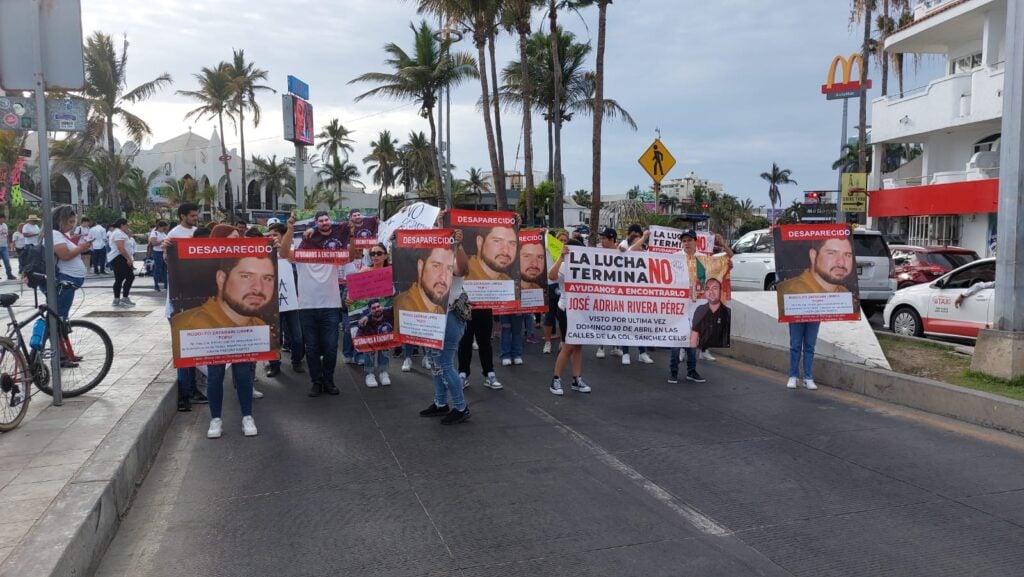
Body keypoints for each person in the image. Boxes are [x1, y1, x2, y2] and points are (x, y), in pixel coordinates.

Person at [418, 228, 472, 425]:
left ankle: (460, 407)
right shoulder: (432, 258)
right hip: (432, 318)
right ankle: (441, 403)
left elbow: (463, 270)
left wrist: (458, 245)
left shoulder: (452, 256)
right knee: (435, 363)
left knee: (445, 363)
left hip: (449, 317)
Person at [669, 229, 733, 384]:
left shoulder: (704, 259)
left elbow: (729, 256)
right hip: (678, 307)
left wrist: (723, 244)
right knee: (677, 340)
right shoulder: (674, 258)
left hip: (696, 307)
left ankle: (691, 371)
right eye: (684, 241)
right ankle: (673, 372)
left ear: (696, 242)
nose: (686, 243)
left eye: (689, 240)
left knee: (693, 340)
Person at [163, 203, 208, 411]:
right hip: (179, 304)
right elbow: (169, 262)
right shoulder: (174, 236)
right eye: (192, 215)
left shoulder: (197, 234)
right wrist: (167, 250)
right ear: (182, 216)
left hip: (196, 304)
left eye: (197, 215)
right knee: (184, 351)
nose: (195, 217)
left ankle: (192, 390)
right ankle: (184, 394)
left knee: (193, 349)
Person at [547, 239, 591, 396]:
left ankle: (576, 379)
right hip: (566, 310)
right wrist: (561, 257)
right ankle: (555, 379)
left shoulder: (587, 266)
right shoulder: (565, 264)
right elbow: (551, 276)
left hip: (581, 310)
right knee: (568, 346)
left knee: (578, 346)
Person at [265, 218, 305, 378]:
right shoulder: (265, 251)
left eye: (275, 234)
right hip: (272, 302)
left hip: (292, 301)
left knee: (297, 336)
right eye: (270, 235)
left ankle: (297, 361)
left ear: (283, 236)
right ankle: (274, 365)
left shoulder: (291, 251)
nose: (272, 237)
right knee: (274, 336)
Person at [352, 243, 393, 387]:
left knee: (384, 343)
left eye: (379, 253)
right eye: (372, 253)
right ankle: (369, 373)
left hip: (385, 314)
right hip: (368, 312)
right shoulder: (364, 270)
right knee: (369, 344)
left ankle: (383, 371)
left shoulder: (391, 272)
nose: (375, 256)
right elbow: (354, 293)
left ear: (385, 255)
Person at [46, 206, 92, 322]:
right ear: (61, 220)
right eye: (70, 222)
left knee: (60, 316)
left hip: (68, 281)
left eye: (74, 222)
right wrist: (81, 248)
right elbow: (65, 255)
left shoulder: (61, 235)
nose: (72, 226)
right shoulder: (54, 234)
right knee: (60, 317)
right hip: (64, 281)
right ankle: (55, 338)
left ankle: (58, 337)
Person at [776, 236, 856, 297]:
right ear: (813, 256)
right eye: (831, 253)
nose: (841, 263)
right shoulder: (789, 292)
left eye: (847, 255)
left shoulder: (845, 293)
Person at [594, 227, 623, 361]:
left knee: (617, 320)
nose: (602, 240)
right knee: (603, 320)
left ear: (612, 239)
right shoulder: (598, 252)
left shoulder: (621, 253)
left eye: (604, 238)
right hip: (603, 292)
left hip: (618, 293)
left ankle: (615, 346)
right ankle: (601, 346)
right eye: (601, 238)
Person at [542, 230, 570, 354]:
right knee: (549, 316)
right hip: (551, 285)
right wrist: (545, 232)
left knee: (562, 317)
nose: (562, 242)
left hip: (563, 288)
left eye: (565, 240)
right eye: (560, 240)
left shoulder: (570, 253)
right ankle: (547, 342)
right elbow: (545, 239)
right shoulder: (549, 248)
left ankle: (562, 340)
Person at [108, 218, 137, 307]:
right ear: (122, 225)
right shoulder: (118, 233)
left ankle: (117, 299)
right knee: (130, 277)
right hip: (119, 258)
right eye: (126, 224)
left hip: (119, 257)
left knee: (119, 279)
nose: (127, 226)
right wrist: (128, 258)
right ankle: (124, 298)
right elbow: (120, 248)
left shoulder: (119, 233)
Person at [787, 321, 820, 391]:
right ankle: (793, 376)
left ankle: (808, 378)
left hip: (813, 315)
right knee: (795, 346)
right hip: (796, 314)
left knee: (810, 347)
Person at [149, 220, 169, 291]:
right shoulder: (154, 233)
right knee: (158, 269)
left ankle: (166, 285)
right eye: (164, 228)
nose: (164, 230)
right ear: (159, 227)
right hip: (157, 252)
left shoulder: (164, 233)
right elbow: (154, 243)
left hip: (164, 252)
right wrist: (162, 241)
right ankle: (156, 284)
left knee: (165, 269)